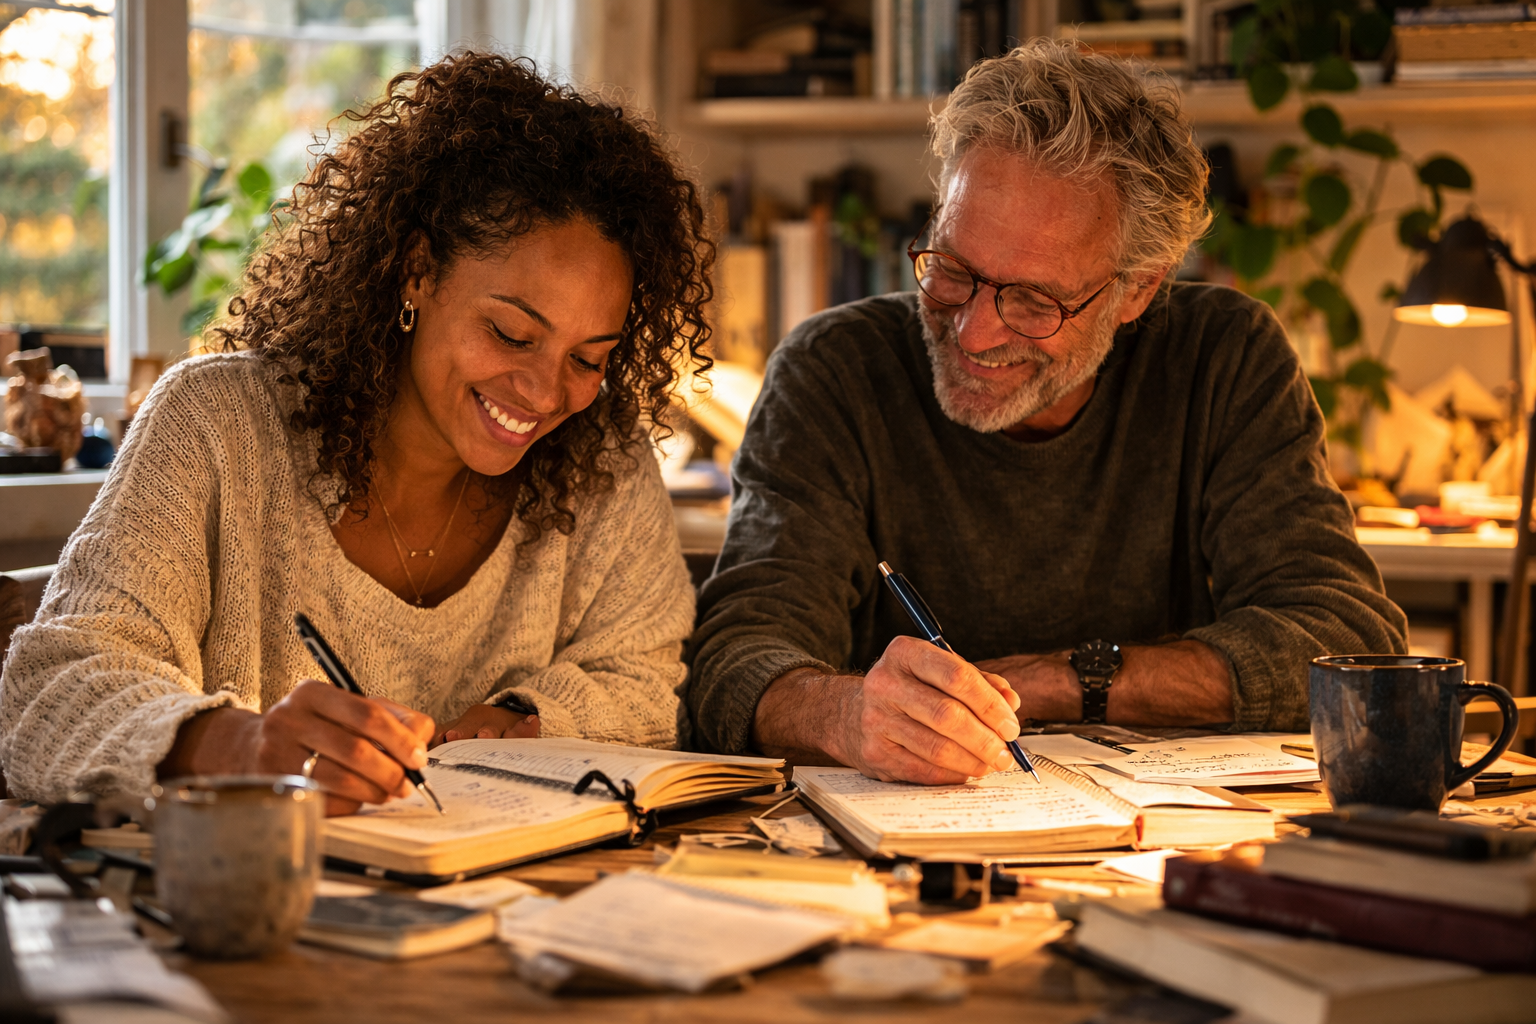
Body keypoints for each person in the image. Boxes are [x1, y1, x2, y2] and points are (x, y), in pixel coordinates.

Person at [1, 54, 713, 814]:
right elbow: (50, 690)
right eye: (510, 334)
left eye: (588, 357)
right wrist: (238, 747)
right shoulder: (217, 425)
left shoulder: (601, 458)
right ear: (416, 272)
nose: (545, 392)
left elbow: (642, 680)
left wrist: (531, 720)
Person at [684, 39, 1407, 785]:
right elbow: (735, 661)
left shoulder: (1223, 358)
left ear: (1137, 291)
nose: (974, 331)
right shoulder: (835, 370)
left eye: (1034, 300)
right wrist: (846, 714)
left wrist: (1062, 681)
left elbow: (1346, 642)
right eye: (954, 271)